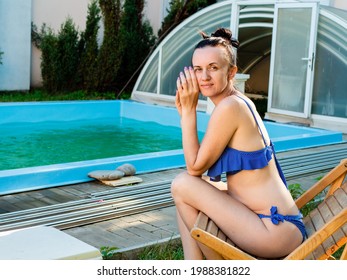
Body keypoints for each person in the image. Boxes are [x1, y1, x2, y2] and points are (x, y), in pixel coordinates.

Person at [171, 27, 307, 259]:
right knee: (190, 191)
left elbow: (194, 167)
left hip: (273, 230)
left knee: (182, 185)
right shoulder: (237, 102)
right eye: (198, 69)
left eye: (213, 68)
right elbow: (198, 172)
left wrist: (188, 112)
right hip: (275, 224)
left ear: (231, 72)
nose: (204, 77)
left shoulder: (230, 107)